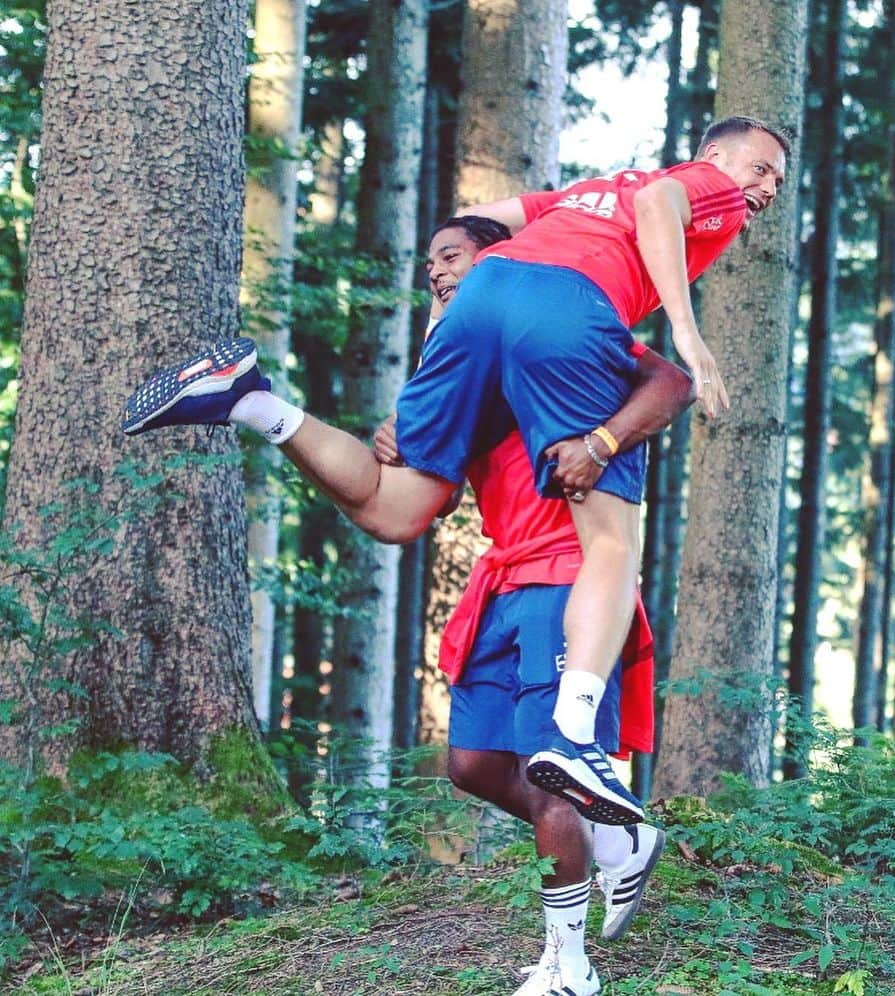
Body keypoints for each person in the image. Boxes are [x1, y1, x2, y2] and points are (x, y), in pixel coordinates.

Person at [123, 115, 789, 830]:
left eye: (777, 180)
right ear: (715, 157)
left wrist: (460, 291)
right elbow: (662, 207)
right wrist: (688, 335)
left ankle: (252, 401)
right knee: (612, 546)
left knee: (395, 509)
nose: (767, 188)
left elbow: (478, 220)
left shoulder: (584, 196)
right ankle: (576, 739)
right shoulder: (703, 191)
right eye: (760, 169)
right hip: (567, 309)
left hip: (483, 305)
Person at [377, 216, 686, 995]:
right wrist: (401, 438)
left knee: (552, 773)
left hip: (570, 573)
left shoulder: (557, 323)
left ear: (503, 262)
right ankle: (616, 840)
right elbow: (429, 484)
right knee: (474, 765)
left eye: (453, 257)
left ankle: (569, 965)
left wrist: (605, 442)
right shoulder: (455, 353)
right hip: (504, 576)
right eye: (430, 265)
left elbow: (672, 382)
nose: (439, 274)